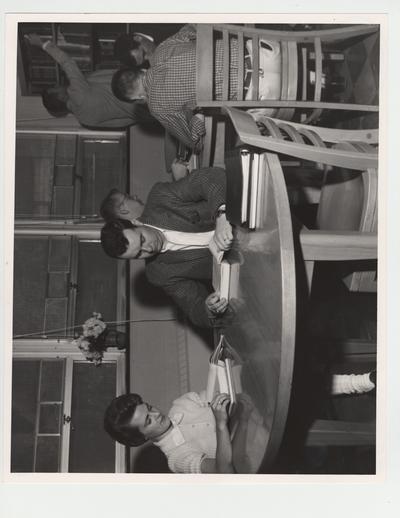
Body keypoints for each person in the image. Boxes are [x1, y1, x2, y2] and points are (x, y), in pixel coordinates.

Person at [100, 166, 233, 328]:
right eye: (138, 254)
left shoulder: (161, 198)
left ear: (136, 222)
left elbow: (209, 177)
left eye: (142, 240)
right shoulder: (158, 273)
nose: (148, 249)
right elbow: (194, 309)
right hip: (243, 267)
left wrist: (222, 216)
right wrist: (209, 308)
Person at [24, 33, 153, 129]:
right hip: (145, 86)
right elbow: (67, 62)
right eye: (55, 87)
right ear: (61, 97)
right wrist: (42, 44)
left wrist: (145, 115)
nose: (58, 84)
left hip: (149, 110)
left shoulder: (85, 121)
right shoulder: (76, 92)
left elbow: (123, 122)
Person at [104, 391, 235, 473]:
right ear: (143, 438)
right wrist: (221, 425)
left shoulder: (181, 403)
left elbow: (225, 392)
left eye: (149, 407)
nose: (156, 414)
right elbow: (223, 471)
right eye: (148, 420)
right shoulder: (177, 459)